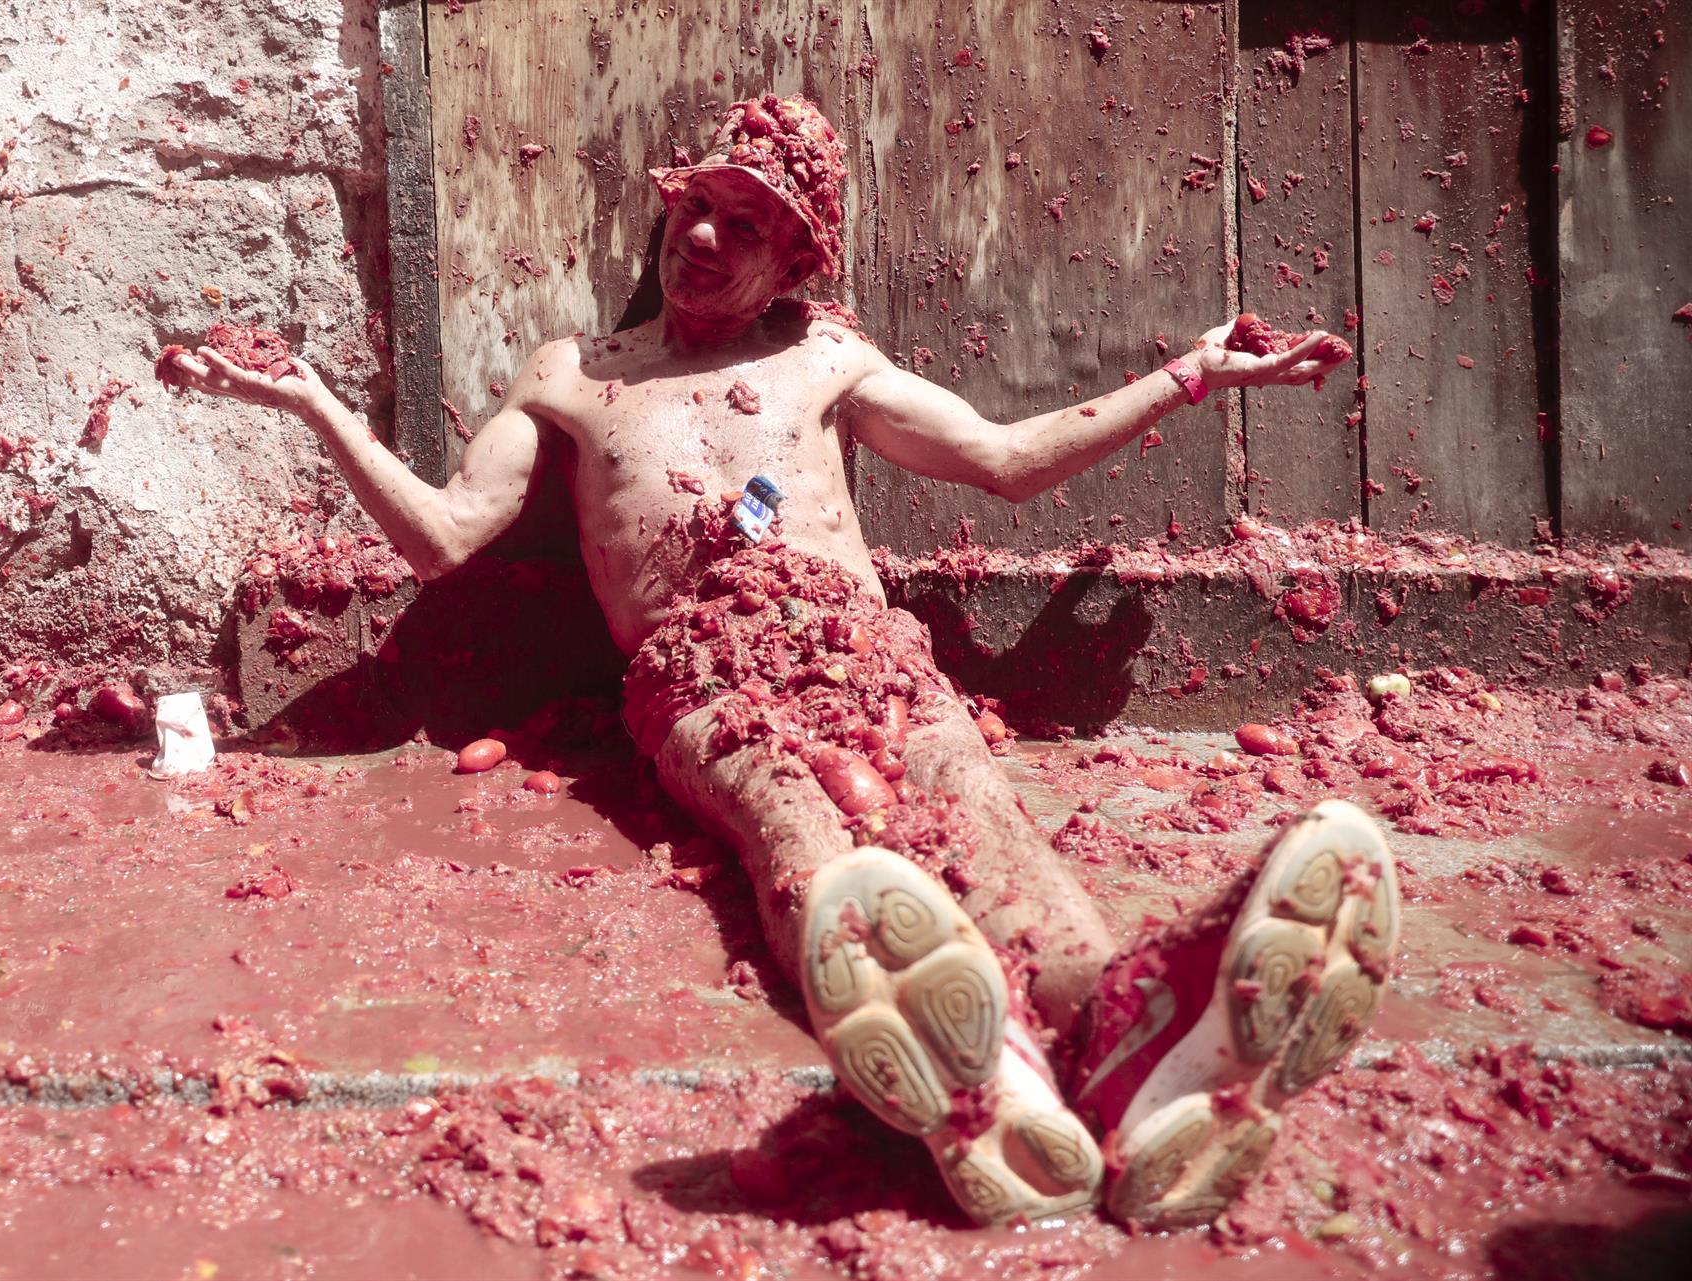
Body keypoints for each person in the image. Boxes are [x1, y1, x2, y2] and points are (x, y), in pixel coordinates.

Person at [165, 94, 1398, 1230]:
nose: (701, 236)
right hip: (698, 679)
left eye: (744, 224)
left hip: (866, 648)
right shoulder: (577, 373)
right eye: (694, 206)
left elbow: (1004, 461)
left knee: (983, 812)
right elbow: (442, 540)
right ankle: (992, 1074)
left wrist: (1192, 375)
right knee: (795, 829)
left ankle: (1133, 1026)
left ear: (796, 262)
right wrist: (314, 404)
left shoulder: (825, 360)